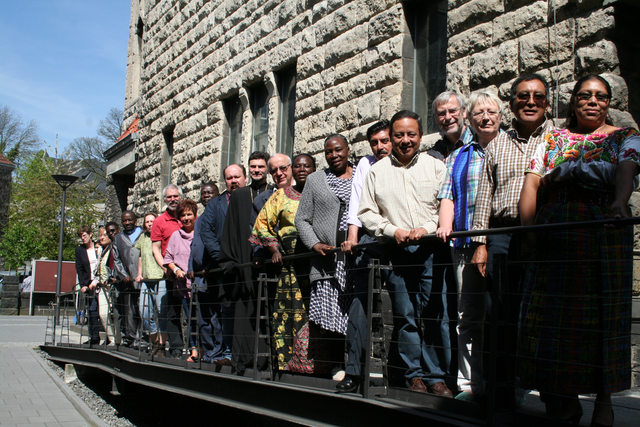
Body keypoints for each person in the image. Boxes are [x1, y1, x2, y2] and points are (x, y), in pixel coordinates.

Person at [517, 74, 639, 426]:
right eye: (585, 95)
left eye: (600, 96)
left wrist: (619, 203)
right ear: (573, 100)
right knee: (554, 318)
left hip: (603, 228)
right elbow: (533, 180)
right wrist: (528, 234)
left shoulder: (624, 137)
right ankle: (564, 401)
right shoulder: (553, 137)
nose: (592, 101)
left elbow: (627, 169)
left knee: (604, 315)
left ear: (608, 102)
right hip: (556, 230)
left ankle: (604, 401)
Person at [469, 73, 553, 406]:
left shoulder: (558, 136)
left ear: (546, 102)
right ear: (512, 102)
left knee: (541, 311)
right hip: (502, 233)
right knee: (498, 311)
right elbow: (485, 194)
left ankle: (549, 390)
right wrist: (480, 242)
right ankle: (500, 387)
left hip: (545, 233)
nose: (530, 102)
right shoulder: (498, 143)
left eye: (538, 97)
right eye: (523, 97)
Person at [358, 110, 451, 397]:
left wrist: (425, 228)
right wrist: (390, 229)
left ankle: (437, 376)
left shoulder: (436, 167)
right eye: (399, 135)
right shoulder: (377, 171)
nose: (405, 140)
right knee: (406, 316)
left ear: (421, 136)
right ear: (392, 136)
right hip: (396, 252)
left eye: (411, 134)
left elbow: (445, 204)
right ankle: (414, 376)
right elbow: (366, 212)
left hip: (431, 249)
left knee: (436, 314)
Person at [436, 90, 503, 401]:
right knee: (469, 315)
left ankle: (507, 385)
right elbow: (447, 195)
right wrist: (445, 225)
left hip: (502, 242)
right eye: (479, 113)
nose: (485, 118)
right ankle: (470, 385)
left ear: (500, 116)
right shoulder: (458, 156)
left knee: (503, 312)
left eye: (491, 112)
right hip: (463, 244)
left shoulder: (511, 146)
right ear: (469, 118)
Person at [336, 120, 392, 393]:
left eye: (384, 140)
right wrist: (352, 239)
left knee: (403, 305)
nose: (380, 146)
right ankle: (355, 371)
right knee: (360, 306)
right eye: (375, 142)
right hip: (369, 239)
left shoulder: (405, 162)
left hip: (399, 239)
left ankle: (403, 375)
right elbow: (355, 202)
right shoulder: (365, 165)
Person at [296, 134, 356, 373]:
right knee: (330, 315)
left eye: (338, 150)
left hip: (354, 257)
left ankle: (355, 365)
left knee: (354, 312)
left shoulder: (362, 174)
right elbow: (301, 218)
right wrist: (313, 244)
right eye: (329, 152)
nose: (334, 155)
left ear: (348, 150)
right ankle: (336, 365)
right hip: (327, 260)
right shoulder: (315, 179)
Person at [250, 153, 316, 370]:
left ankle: (321, 364)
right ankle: (289, 363)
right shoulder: (279, 196)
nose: (301, 170)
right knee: (289, 312)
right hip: (290, 269)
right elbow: (261, 225)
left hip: (318, 264)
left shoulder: (320, 191)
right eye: (298, 166)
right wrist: (273, 248)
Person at [219, 151, 274, 373]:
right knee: (245, 314)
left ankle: (268, 361)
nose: (257, 170)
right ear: (248, 169)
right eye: (253, 167)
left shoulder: (274, 192)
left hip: (269, 261)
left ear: (267, 168)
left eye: (261, 166)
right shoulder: (241, 195)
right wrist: (232, 262)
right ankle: (242, 360)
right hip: (244, 264)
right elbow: (230, 231)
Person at [197, 164, 247, 364]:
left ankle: (249, 352)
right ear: (224, 181)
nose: (233, 181)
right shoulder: (215, 205)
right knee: (227, 311)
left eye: (237, 177)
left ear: (244, 177)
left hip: (249, 265)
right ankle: (228, 352)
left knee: (250, 308)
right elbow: (206, 233)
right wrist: (223, 257)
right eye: (229, 178)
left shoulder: (253, 198)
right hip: (224, 269)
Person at [151, 184, 185, 358]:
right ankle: (177, 348)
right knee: (172, 312)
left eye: (175, 196)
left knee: (192, 312)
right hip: (171, 274)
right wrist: (165, 268)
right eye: (169, 197)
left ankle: (196, 348)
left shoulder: (187, 216)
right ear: (165, 199)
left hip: (189, 273)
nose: (173, 199)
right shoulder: (159, 221)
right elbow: (156, 248)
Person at [164, 199, 199, 362]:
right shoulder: (175, 236)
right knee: (190, 318)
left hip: (200, 284)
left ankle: (207, 349)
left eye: (189, 214)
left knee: (204, 318)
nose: (186, 218)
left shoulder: (201, 232)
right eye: (183, 215)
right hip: (184, 286)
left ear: (195, 215)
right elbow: (168, 258)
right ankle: (194, 350)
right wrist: (176, 269)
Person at [135, 213, 167, 356]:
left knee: (161, 312)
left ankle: (162, 345)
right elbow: (141, 256)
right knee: (144, 312)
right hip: (146, 281)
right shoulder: (143, 237)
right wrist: (139, 274)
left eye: (152, 221)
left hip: (160, 278)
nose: (149, 224)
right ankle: (155, 341)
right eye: (147, 222)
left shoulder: (161, 235)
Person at [112, 211, 143, 348]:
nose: (127, 223)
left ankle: (142, 338)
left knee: (143, 309)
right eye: (125, 221)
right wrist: (124, 276)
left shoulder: (143, 234)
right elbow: (116, 259)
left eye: (130, 220)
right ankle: (130, 338)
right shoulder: (118, 238)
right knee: (129, 311)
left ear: (135, 220)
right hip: (128, 281)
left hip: (142, 279)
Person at [428, 91, 474, 161]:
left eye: (452, 111)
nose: (447, 117)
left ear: (464, 112)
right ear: (436, 119)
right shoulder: (433, 155)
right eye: (442, 113)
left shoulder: (480, 143)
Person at [75, 225, 100, 345]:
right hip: (89, 284)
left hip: (100, 282)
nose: (83, 238)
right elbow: (79, 269)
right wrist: (83, 285)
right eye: (81, 236)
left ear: (90, 234)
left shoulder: (98, 247)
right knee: (92, 310)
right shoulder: (79, 250)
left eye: (84, 235)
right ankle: (94, 336)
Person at [93, 227, 118, 344]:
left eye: (104, 235)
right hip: (103, 286)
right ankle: (112, 338)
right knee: (103, 314)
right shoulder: (102, 250)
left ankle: (118, 339)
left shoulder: (113, 248)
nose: (102, 237)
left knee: (115, 313)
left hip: (112, 287)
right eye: (100, 235)